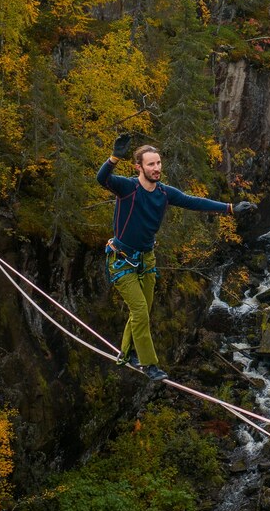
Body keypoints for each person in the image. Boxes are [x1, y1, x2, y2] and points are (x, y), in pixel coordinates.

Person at [97, 134, 256, 381]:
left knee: (142, 312)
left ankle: (127, 353)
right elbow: (102, 178)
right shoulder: (127, 188)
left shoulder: (164, 193)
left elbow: (194, 202)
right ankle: (149, 365)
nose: (156, 168)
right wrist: (114, 157)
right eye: (151, 164)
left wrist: (230, 209)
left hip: (146, 260)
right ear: (139, 167)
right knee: (139, 311)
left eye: (158, 163)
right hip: (121, 260)